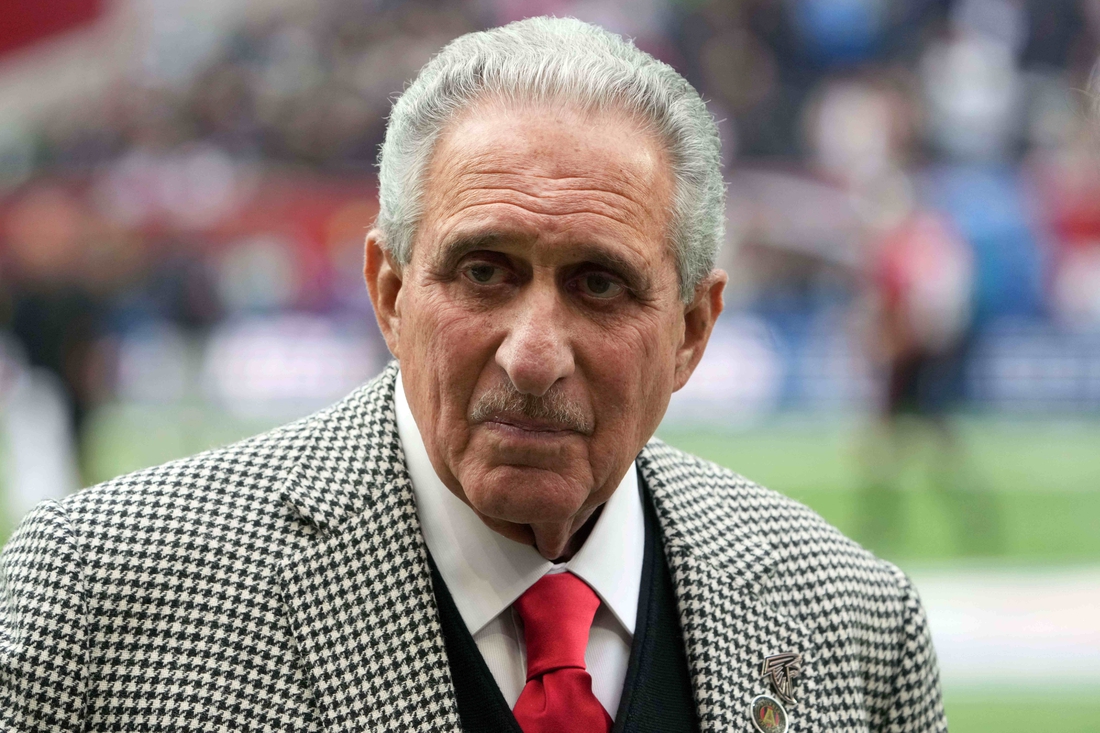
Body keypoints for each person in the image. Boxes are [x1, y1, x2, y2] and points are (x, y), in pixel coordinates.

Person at [0, 17, 945, 732]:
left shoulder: (855, 627)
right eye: (483, 271)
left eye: (600, 283)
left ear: (693, 328)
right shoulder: (95, 596)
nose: (532, 352)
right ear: (390, 291)